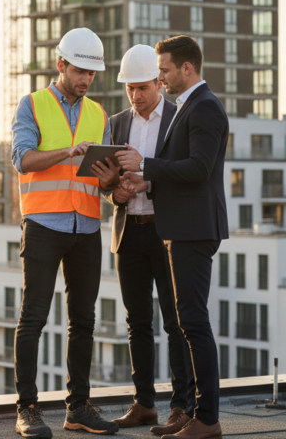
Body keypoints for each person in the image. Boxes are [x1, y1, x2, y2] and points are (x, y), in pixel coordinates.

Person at [116, 35, 229, 439]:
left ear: (186, 68)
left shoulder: (205, 107)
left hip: (193, 229)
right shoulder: (191, 106)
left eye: (163, 70)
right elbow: (185, 169)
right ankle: (201, 416)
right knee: (187, 321)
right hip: (183, 228)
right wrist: (140, 181)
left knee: (193, 324)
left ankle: (206, 419)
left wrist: (145, 166)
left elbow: (198, 168)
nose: (159, 77)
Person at [10, 27, 121, 438]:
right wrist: (67, 152)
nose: (86, 80)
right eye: (79, 71)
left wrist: (111, 180)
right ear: (61, 65)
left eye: (92, 74)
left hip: (86, 226)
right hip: (42, 225)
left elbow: (104, 184)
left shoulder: (99, 115)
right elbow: (23, 160)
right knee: (34, 317)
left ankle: (78, 408)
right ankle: (28, 408)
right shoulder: (32, 105)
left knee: (84, 321)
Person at [91, 45, 194, 434]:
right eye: (130, 88)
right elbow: (107, 182)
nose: (136, 95)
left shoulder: (178, 119)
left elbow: (183, 171)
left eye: (143, 87)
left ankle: (182, 406)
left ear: (159, 82)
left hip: (166, 234)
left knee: (175, 322)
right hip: (128, 232)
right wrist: (112, 192)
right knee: (137, 323)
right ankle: (144, 404)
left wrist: (148, 180)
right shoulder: (116, 124)